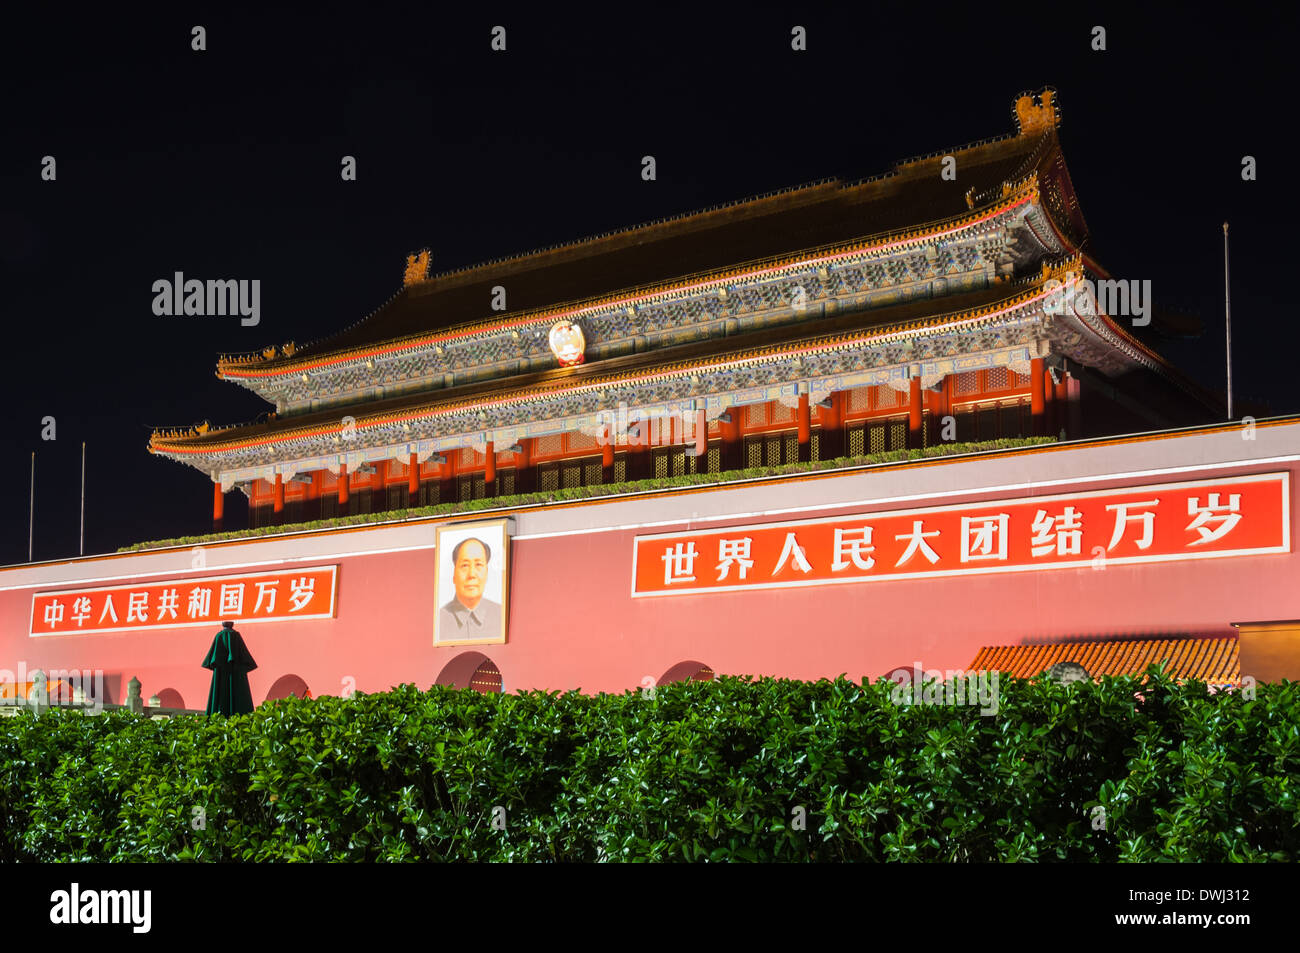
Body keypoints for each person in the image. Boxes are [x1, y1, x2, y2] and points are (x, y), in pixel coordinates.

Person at [438, 536, 502, 639]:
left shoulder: (501, 616)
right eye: (465, 565)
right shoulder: (439, 619)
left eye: (478, 565)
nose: (472, 574)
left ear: (487, 573)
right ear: (453, 574)